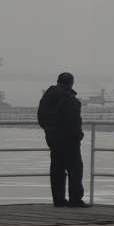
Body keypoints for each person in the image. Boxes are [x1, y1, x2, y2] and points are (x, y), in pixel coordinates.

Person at [37, 71, 89, 207]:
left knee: (57, 167)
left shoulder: (46, 98)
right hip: (68, 140)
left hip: (52, 137)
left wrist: (49, 130)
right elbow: (73, 122)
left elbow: (41, 118)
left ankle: (58, 199)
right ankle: (75, 199)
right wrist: (78, 135)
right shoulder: (70, 100)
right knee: (75, 168)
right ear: (71, 83)